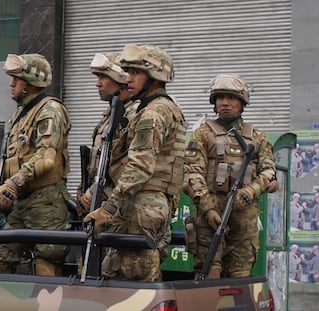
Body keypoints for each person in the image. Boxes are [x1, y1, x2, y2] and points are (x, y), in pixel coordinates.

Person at [84, 43, 187, 281]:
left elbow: (140, 167)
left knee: (133, 283)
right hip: (145, 204)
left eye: (136, 73)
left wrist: (108, 209)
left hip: (140, 205)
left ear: (154, 76)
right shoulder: (157, 108)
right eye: (128, 72)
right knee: (119, 275)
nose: (128, 79)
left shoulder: (153, 113)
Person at [183, 73, 278, 279]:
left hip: (244, 218)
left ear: (242, 102)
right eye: (219, 98)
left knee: (239, 280)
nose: (225, 103)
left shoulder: (257, 137)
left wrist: (250, 191)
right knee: (209, 274)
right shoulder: (202, 134)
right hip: (210, 217)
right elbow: (192, 173)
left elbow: (270, 172)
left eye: (231, 98)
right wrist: (207, 208)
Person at [0, 53, 71, 276]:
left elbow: (45, 159)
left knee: (48, 259)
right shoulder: (19, 114)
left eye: (17, 79)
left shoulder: (49, 110)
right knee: (0, 255)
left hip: (46, 201)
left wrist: (12, 184)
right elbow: (18, 155)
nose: (11, 83)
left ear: (32, 83)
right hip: (22, 202)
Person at [76, 52, 137, 219]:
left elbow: (129, 169)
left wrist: (92, 194)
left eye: (103, 77)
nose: (98, 84)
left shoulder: (132, 116)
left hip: (119, 209)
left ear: (120, 79)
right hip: (100, 204)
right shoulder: (109, 116)